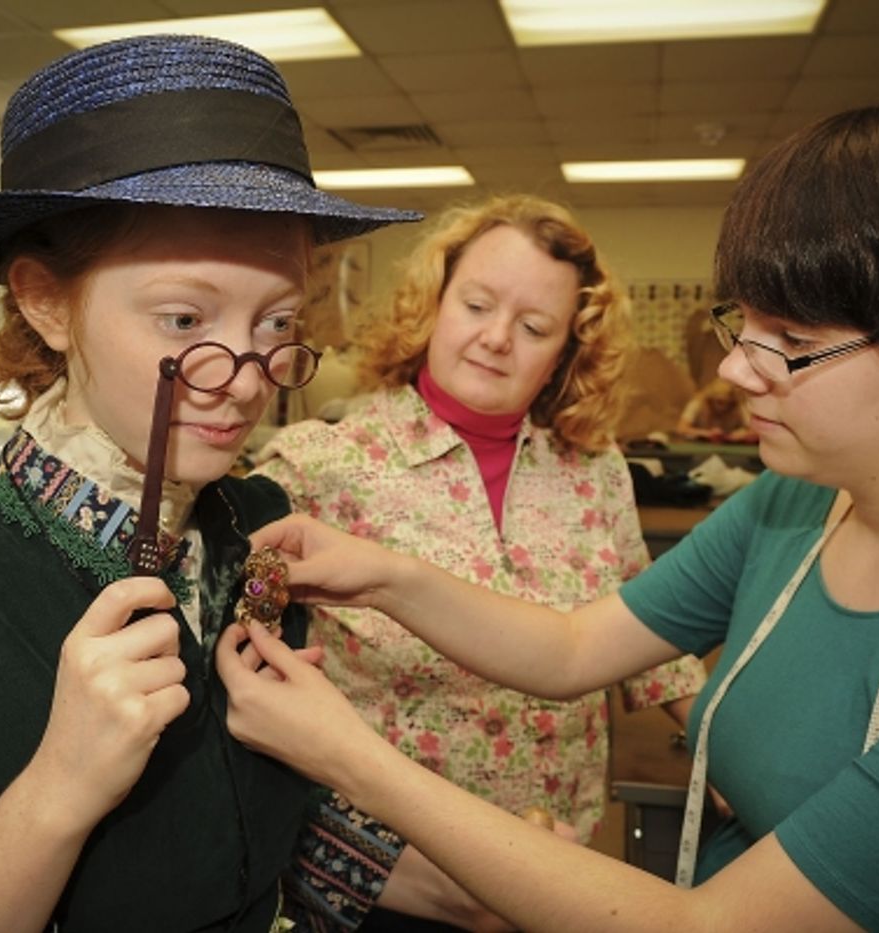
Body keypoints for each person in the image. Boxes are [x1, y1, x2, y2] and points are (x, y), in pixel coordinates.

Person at [217, 95, 879, 932]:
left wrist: (349, 757)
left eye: (797, 345)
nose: (734, 371)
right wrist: (386, 573)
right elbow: (576, 649)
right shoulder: (805, 497)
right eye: (748, 327)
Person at [0, 34, 449, 933]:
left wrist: (462, 877)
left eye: (277, 321)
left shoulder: (257, 525)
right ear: (44, 299)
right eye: (184, 316)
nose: (244, 375)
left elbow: (256, 829)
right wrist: (57, 790)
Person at [250, 195, 707, 926]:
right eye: (476, 305)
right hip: (389, 879)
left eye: (533, 327)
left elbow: (645, 628)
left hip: (555, 864)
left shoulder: (592, 469)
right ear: (433, 304)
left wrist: (733, 756)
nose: (497, 338)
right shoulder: (316, 469)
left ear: (567, 350)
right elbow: (244, 682)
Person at [673, 377, 755, 443]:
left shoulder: (738, 406)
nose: (723, 407)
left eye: (727, 403)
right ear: (711, 399)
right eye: (719, 402)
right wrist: (706, 434)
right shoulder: (697, 403)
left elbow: (755, 432)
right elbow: (681, 428)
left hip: (730, 446)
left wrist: (740, 435)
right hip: (700, 445)